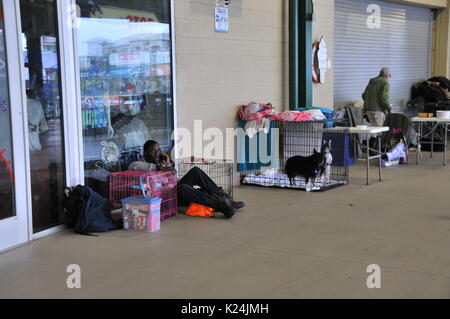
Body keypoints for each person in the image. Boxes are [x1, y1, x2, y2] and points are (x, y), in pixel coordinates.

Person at [129, 140, 245, 219]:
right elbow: (136, 167)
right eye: (154, 151)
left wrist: (167, 163)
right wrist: (163, 167)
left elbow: (172, 175)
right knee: (184, 188)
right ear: (145, 153)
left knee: (195, 171)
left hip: (173, 190)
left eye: (159, 150)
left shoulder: (161, 162)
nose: (157, 153)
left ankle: (225, 199)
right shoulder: (137, 164)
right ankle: (221, 206)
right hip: (165, 198)